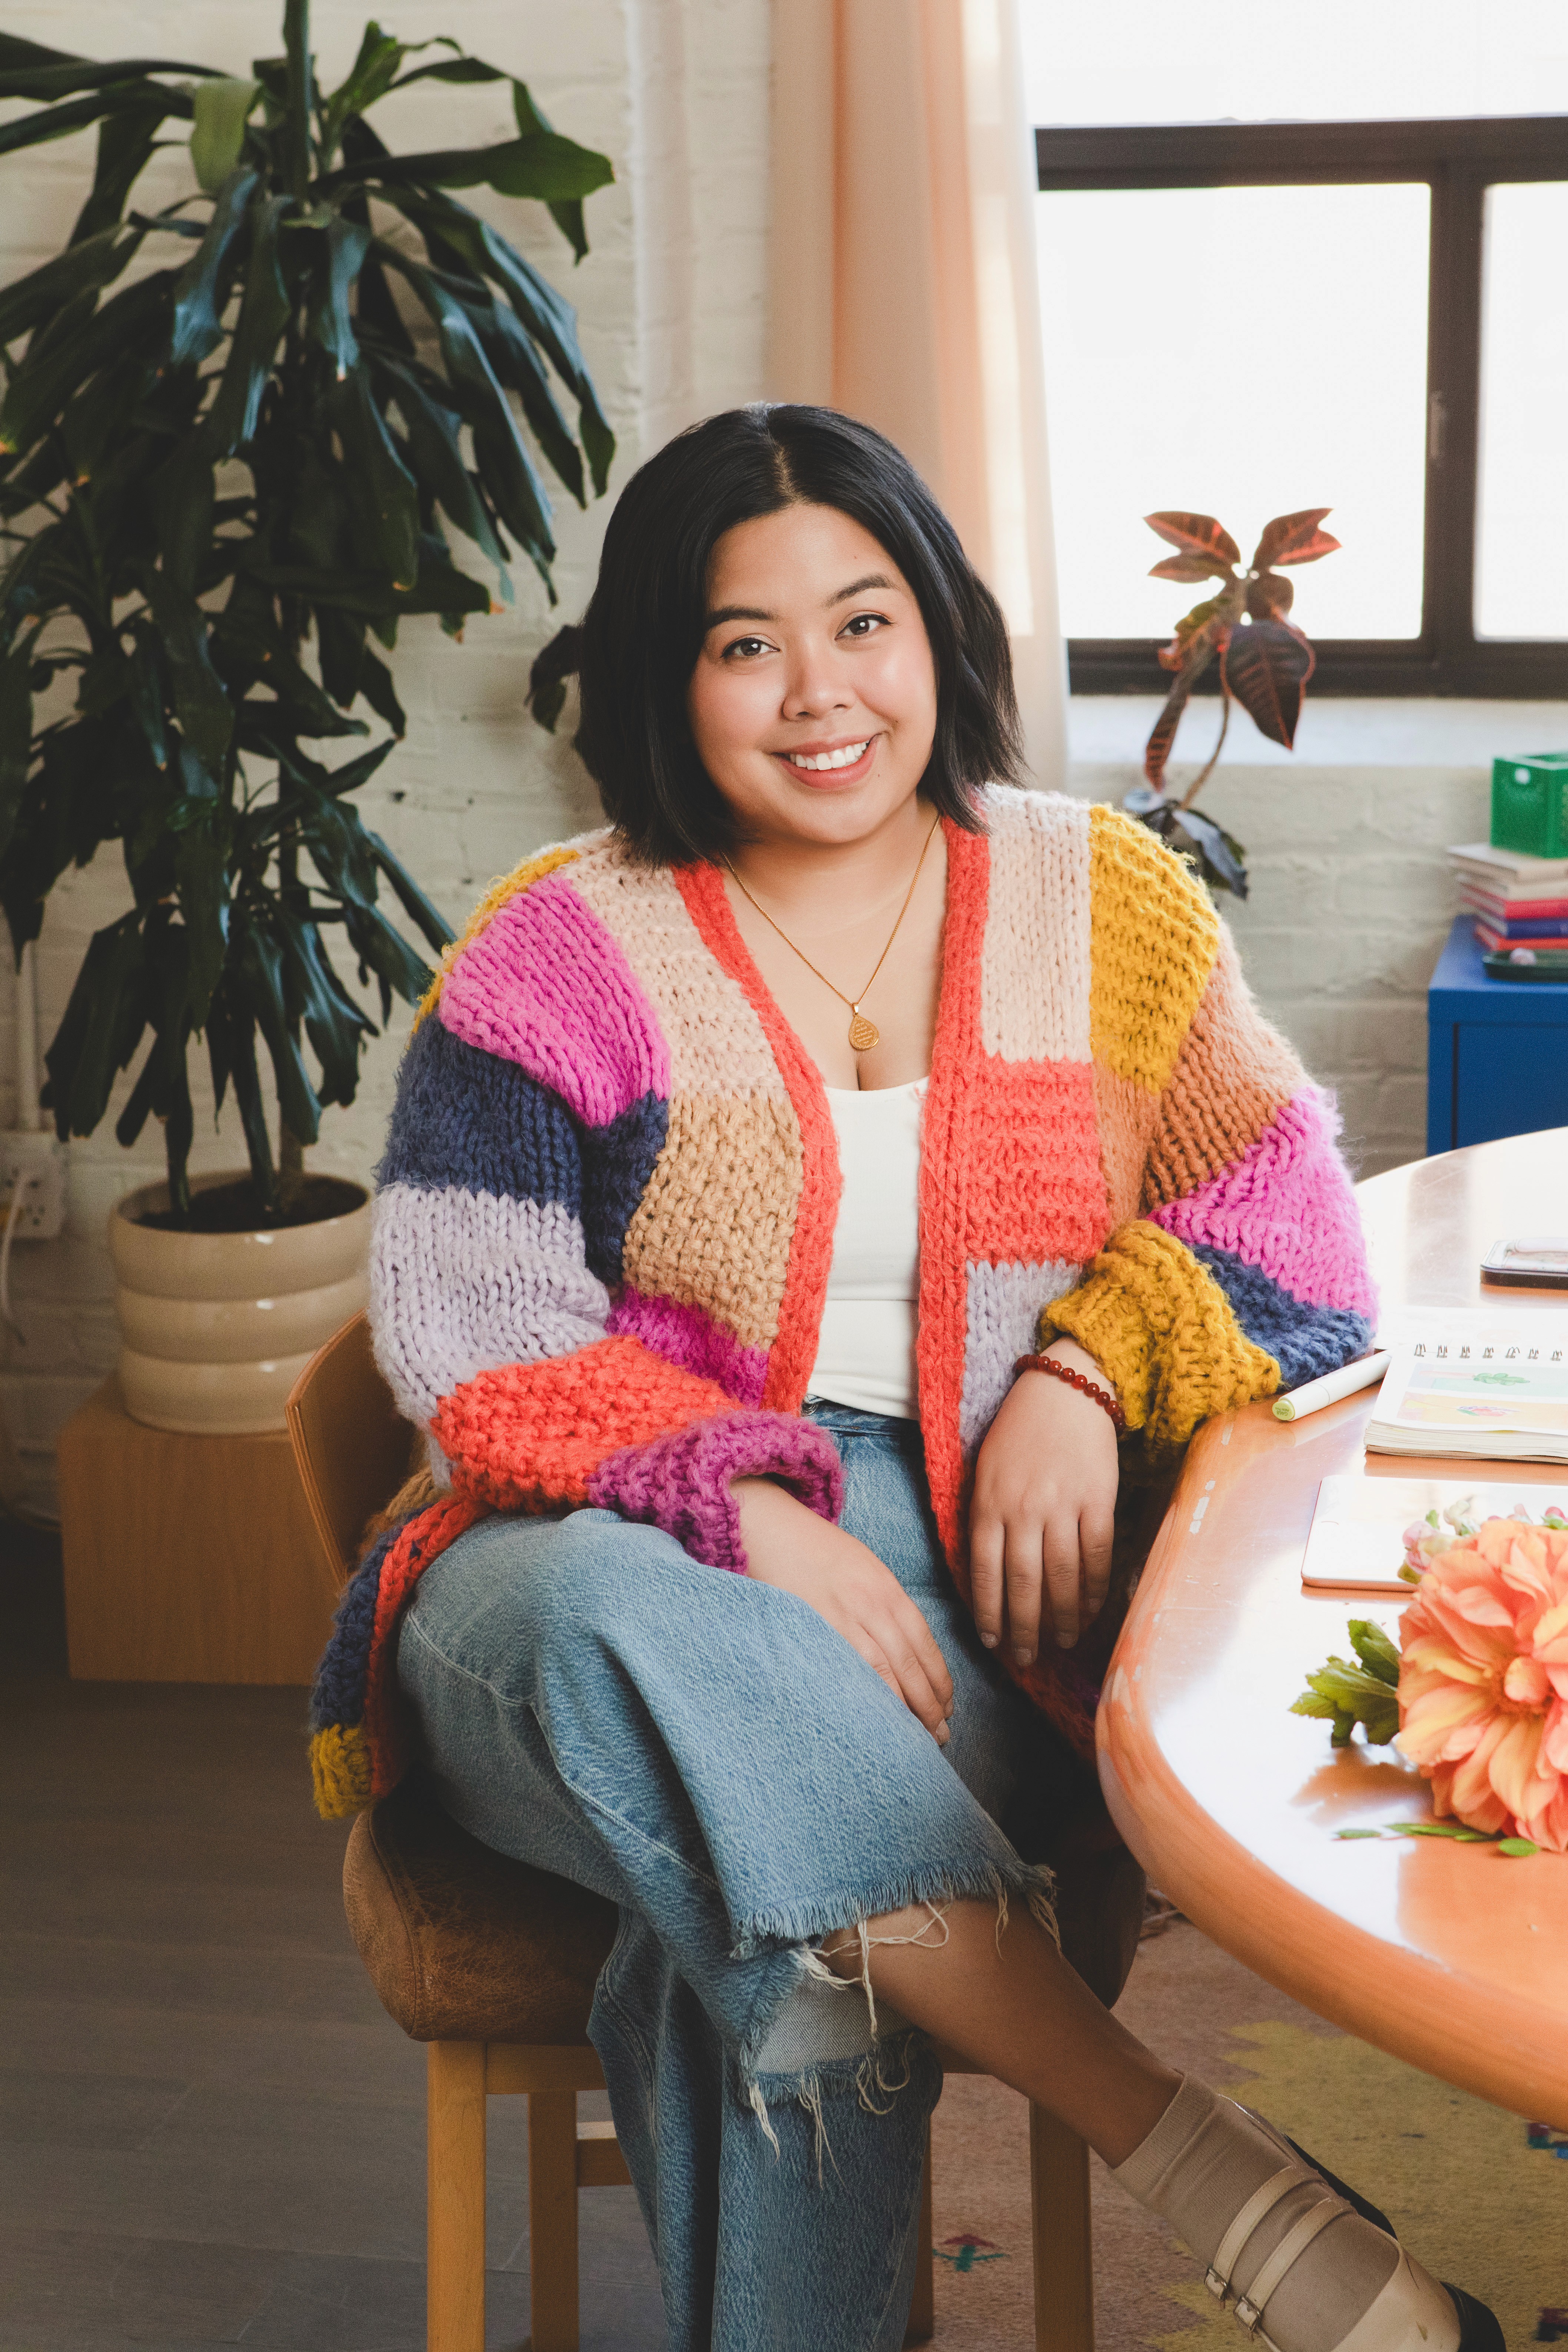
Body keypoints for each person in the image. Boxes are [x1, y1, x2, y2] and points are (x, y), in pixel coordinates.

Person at [310, 406, 1500, 2352]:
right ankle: (1189, 2156)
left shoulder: (1092, 898)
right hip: (573, 1572)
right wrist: (743, 1513)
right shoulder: (559, 949)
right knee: (613, 1627)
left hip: (968, 1598)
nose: (815, 694)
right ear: (660, 674)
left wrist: (1082, 1368)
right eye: (740, 641)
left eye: (859, 621)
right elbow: (473, 1329)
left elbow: (1288, 1223)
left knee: (791, 1967)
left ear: (938, 629)